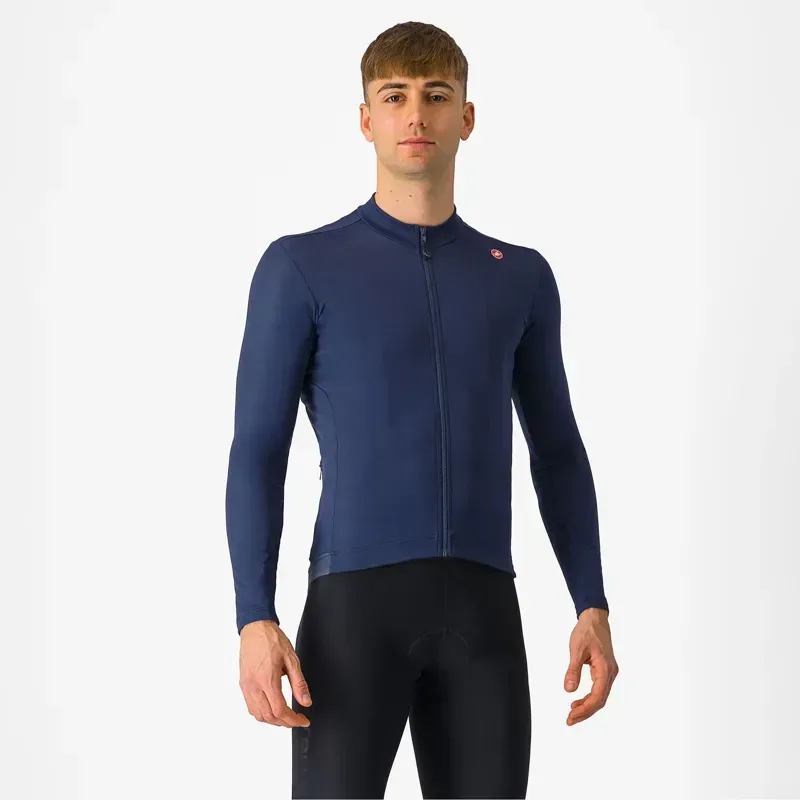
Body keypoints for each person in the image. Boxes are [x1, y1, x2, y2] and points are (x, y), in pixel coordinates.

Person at [225, 20, 619, 799]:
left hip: (485, 616)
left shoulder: (520, 277)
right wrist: (253, 616)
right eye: (395, 96)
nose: (416, 114)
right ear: (365, 119)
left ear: (466, 118)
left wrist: (591, 600)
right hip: (352, 617)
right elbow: (258, 449)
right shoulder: (302, 266)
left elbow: (557, 450)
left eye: (436, 96)